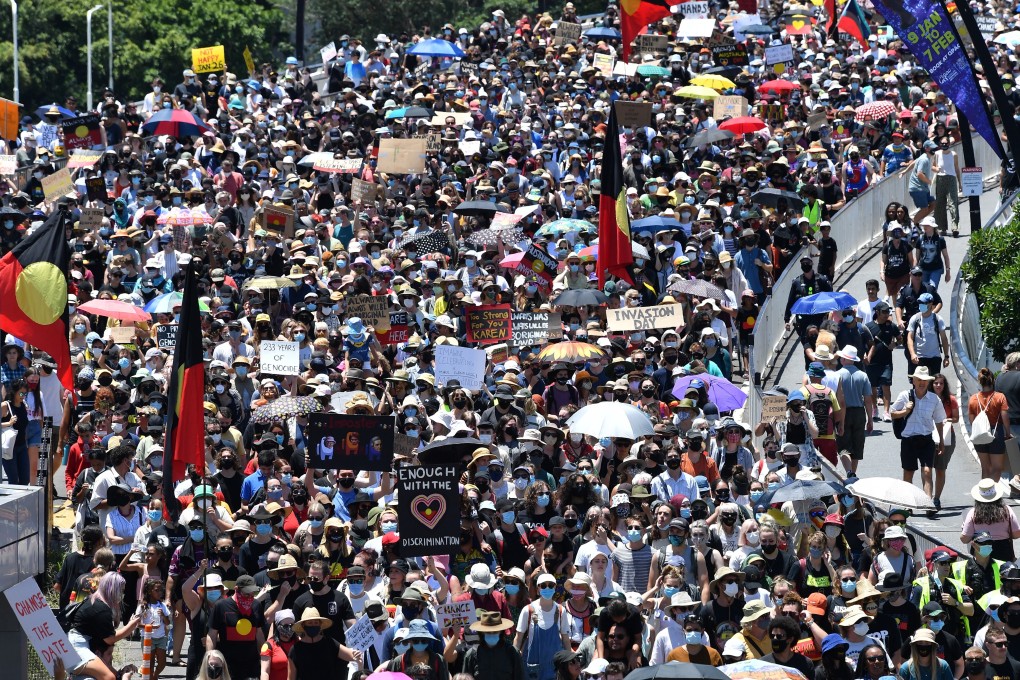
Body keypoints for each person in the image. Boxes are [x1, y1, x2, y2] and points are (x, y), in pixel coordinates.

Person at [890, 367, 946, 505]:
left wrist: (941, 441)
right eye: (919, 380)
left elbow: (939, 421)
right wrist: (905, 410)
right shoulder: (904, 396)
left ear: (928, 382)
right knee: (908, 473)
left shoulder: (934, 399)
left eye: (924, 380)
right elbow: (892, 413)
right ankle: (907, 503)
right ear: (913, 381)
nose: (922, 383)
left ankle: (928, 503)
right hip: (908, 440)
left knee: (927, 471)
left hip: (926, 439)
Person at [967, 368, 1013, 482]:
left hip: (979, 434)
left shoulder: (973, 398)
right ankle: (992, 494)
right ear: (993, 381)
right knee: (997, 468)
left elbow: (972, 420)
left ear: (980, 382)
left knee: (985, 468)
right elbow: (1005, 417)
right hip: (995, 433)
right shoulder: (999, 397)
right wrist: (1008, 433)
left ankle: (985, 495)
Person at [960, 479, 1020, 562]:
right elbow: (1016, 534)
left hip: (981, 550)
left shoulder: (973, 512)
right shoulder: (1007, 510)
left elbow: (965, 539)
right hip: (1004, 551)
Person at [462, 610, 526, 680]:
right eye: (488, 632)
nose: (491, 634)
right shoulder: (471, 655)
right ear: (482, 632)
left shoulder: (512, 653)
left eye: (495, 632)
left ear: (501, 631)